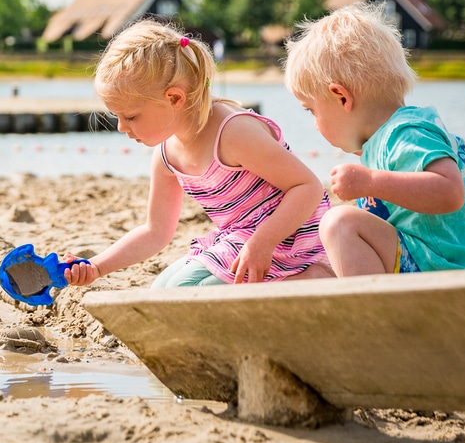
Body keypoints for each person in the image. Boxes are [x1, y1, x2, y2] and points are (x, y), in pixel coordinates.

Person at [65, 20, 331, 289]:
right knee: (162, 289)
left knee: (189, 291)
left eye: (131, 116)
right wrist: (96, 266)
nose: (121, 127)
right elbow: (155, 231)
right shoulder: (167, 156)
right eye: (117, 117)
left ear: (174, 99)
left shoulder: (233, 133)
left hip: (290, 237)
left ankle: (311, 277)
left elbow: (308, 187)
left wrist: (263, 242)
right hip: (240, 238)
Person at [283, 2, 465, 276]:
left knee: (339, 223)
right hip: (439, 261)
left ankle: (373, 314)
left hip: (448, 269)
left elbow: (450, 191)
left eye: (312, 111)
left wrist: (370, 181)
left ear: (342, 97)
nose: (315, 125)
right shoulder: (387, 138)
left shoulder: (405, 134)